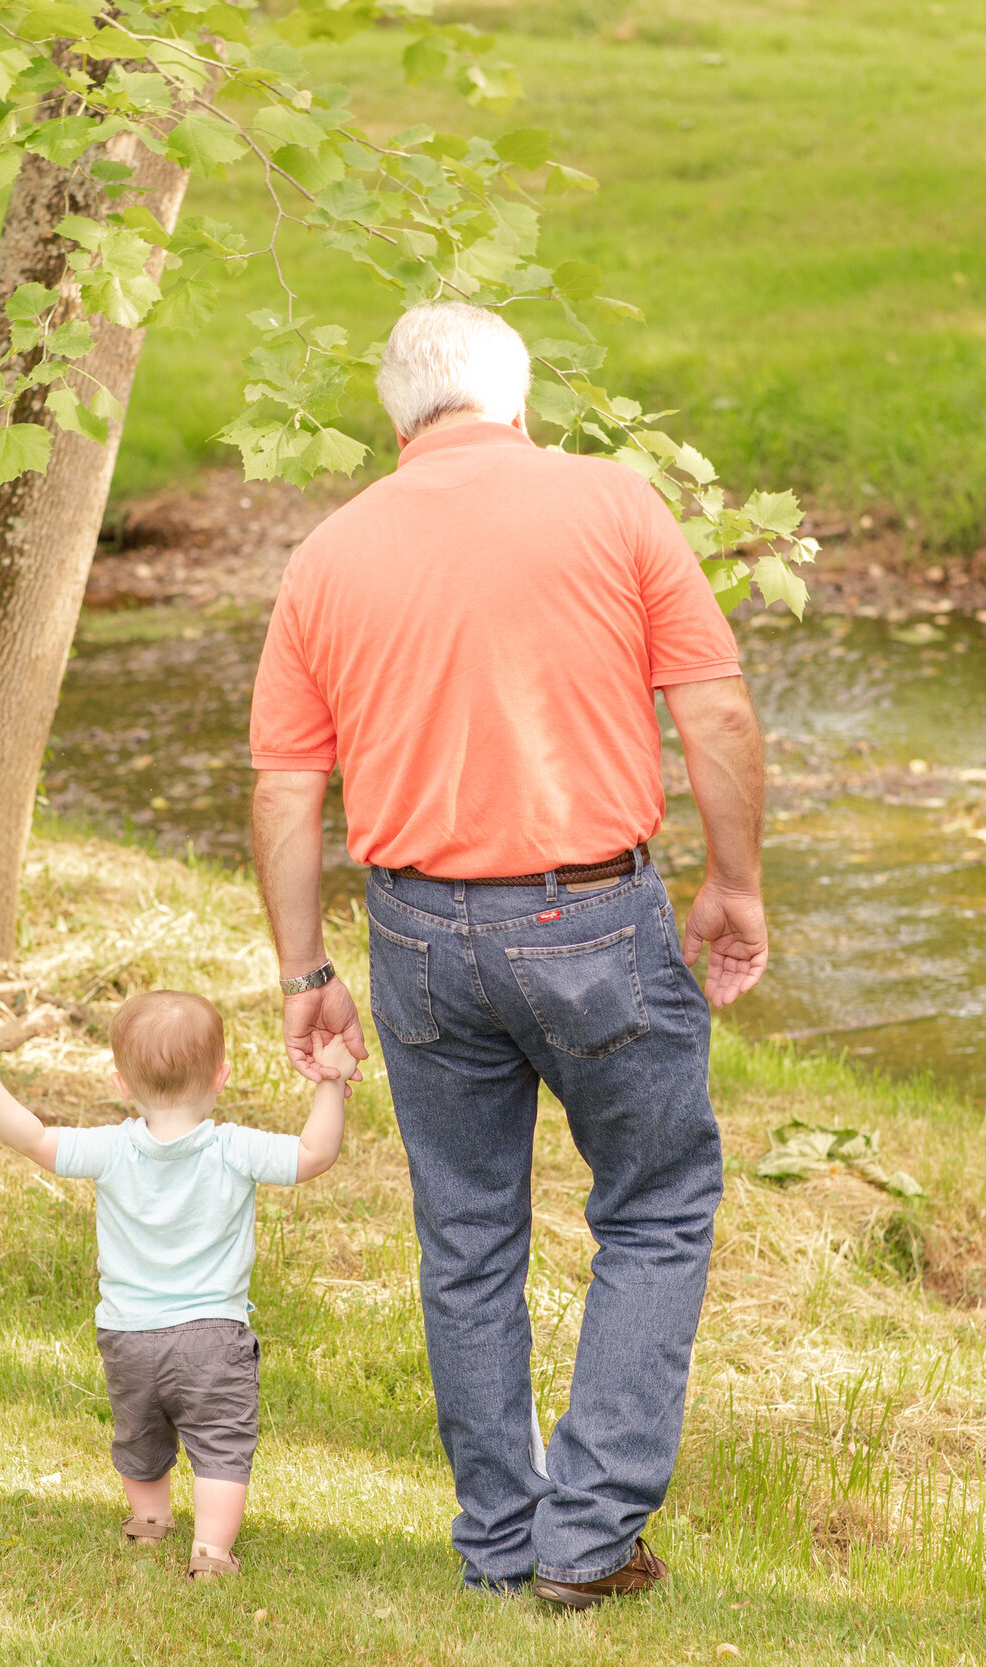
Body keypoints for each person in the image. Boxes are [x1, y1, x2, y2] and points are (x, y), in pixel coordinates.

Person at [247, 301, 770, 1607]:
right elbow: (713, 708)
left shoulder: (329, 551)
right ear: (519, 404)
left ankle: (498, 1541)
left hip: (417, 932)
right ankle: (585, 1534)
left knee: (468, 1236)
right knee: (654, 1201)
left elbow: (282, 790)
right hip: (591, 915)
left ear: (397, 418)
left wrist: (306, 972)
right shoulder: (614, 503)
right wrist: (735, 882)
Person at [0, 990, 348, 1579]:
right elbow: (315, 1154)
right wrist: (330, 1084)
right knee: (220, 1444)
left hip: (128, 1334)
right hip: (213, 1335)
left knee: (139, 1435)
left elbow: (33, 1137)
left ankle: (148, 1526)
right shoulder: (234, 1147)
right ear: (221, 1078)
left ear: (121, 1084)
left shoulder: (111, 1148)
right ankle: (211, 1553)